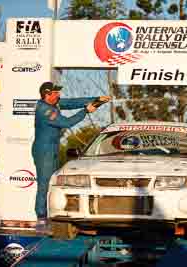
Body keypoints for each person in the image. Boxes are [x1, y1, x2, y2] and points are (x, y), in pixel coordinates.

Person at [32, 81, 111, 233]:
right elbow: (67, 122)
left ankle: (50, 220)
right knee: (44, 186)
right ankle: (41, 222)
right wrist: (85, 111)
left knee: (52, 185)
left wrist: (96, 99)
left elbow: (73, 102)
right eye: (56, 93)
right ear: (47, 95)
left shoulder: (55, 103)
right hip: (44, 151)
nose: (59, 95)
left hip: (52, 149)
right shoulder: (44, 110)